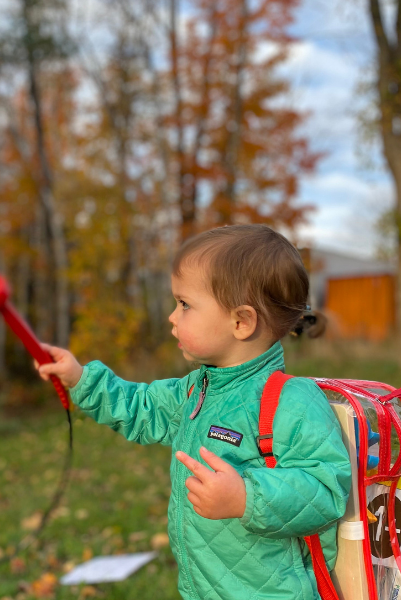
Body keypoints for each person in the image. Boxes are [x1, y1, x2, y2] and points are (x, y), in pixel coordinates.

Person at [37, 224, 351, 600]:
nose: (172, 316)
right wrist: (80, 378)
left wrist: (247, 497)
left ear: (241, 321)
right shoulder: (196, 389)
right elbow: (141, 407)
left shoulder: (291, 400)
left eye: (185, 304)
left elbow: (326, 491)